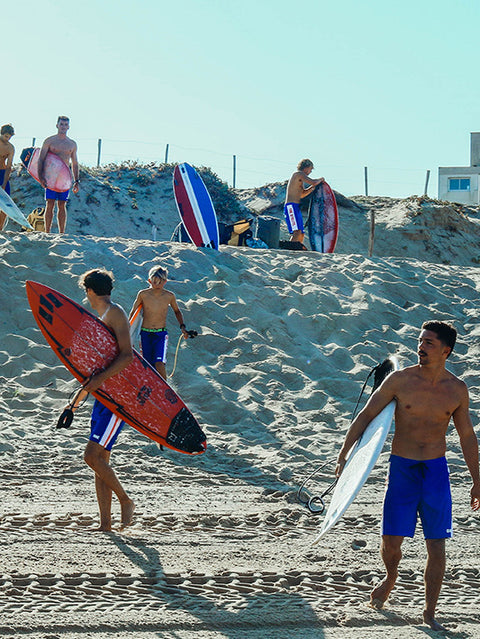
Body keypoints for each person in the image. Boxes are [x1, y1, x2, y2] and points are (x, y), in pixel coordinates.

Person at [335, 320, 480, 631]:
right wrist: (345, 453)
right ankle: (391, 576)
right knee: (391, 542)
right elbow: (366, 415)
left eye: (429, 343)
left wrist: (477, 479)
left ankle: (429, 612)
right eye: (420, 341)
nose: (421, 347)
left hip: (435, 471)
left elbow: (467, 436)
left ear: (446, 350)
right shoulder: (399, 380)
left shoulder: (456, 390)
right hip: (402, 468)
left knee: (437, 544)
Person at [73, 269, 135, 532]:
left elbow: (128, 356)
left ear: (89, 290)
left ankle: (126, 500)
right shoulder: (102, 316)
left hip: (117, 398)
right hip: (103, 396)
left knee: (91, 456)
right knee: (101, 460)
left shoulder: (116, 313)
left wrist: (98, 383)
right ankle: (106, 525)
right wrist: (78, 398)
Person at [129, 265, 189, 380]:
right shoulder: (143, 294)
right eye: (154, 282)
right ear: (149, 280)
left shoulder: (169, 296)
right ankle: (151, 387)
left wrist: (182, 327)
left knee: (159, 362)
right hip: (145, 333)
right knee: (147, 363)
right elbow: (133, 312)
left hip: (160, 334)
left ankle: (165, 390)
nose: (157, 285)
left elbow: (177, 311)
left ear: (165, 282)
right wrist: (128, 329)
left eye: (160, 282)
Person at [38, 116, 79, 233]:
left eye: (66, 125)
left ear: (69, 127)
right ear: (57, 125)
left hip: (64, 178)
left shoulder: (72, 144)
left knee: (62, 204)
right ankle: (47, 232)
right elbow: (41, 159)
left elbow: (75, 163)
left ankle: (62, 233)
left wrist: (77, 181)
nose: (63, 127)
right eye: (61, 124)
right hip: (50, 177)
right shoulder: (49, 141)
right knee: (50, 203)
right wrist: (41, 177)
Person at [284, 159, 324, 247]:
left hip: (295, 207)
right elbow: (313, 181)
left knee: (301, 233)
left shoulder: (300, 178)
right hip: (291, 206)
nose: (310, 171)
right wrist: (320, 180)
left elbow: (302, 194)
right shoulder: (298, 174)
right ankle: (291, 249)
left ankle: (296, 248)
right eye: (310, 169)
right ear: (306, 167)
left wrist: (312, 188)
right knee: (297, 231)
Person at [0, 123, 15, 231]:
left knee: (6, 202)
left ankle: (0, 228)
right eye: (6, 136)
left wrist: (4, 183)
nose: (8, 138)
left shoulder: (10, 148)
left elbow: (9, 167)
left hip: (2, 172)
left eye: (9, 137)